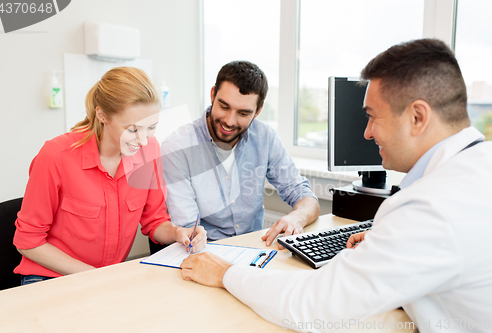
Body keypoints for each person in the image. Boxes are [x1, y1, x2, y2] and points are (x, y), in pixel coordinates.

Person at [179, 39, 492, 332]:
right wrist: (390, 244)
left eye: (372, 116)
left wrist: (225, 273)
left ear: (417, 117)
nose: (368, 133)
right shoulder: (476, 167)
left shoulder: (429, 208)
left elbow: (313, 305)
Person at [14, 67, 206, 285]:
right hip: (48, 278)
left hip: (108, 280)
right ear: (101, 115)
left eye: (151, 127)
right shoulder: (56, 156)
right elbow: (27, 242)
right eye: (132, 130)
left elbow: (154, 221)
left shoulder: (150, 149)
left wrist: (179, 232)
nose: (143, 140)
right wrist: (97, 277)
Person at [161, 61, 319, 247]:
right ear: (213, 95)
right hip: (203, 252)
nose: (229, 121)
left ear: (257, 111)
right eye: (224, 107)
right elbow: (188, 230)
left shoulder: (265, 138)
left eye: (243, 113)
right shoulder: (177, 147)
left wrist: (297, 217)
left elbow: (304, 196)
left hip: (254, 252)